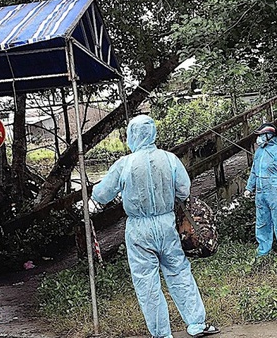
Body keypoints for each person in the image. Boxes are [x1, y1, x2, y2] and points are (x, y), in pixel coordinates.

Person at [91, 115, 219, 338]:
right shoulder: (169, 159)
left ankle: (161, 334)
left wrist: (94, 189)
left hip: (139, 229)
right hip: (167, 223)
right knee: (179, 272)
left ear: (131, 135)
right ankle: (196, 324)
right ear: (153, 133)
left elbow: (101, 195)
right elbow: (184, 190)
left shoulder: (125, 164)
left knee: (146, 282)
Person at [243, 123, 277, 257]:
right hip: (260, 193)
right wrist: (249, 188)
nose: (258, 139)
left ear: (269, 136)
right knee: (262, 221)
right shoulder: (259, 152)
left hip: (276, 193)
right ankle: (263, 249)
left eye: (261, 136)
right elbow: (254, 172)